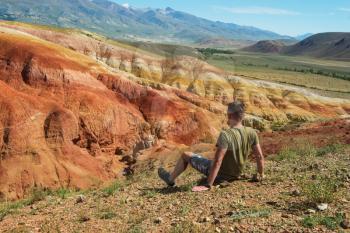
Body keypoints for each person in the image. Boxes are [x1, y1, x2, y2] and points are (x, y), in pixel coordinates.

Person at [158, 101, 265, 192]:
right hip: (236, 173)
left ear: (230, 115)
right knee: (205, 158)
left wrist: (208, 184)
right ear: (242, 116)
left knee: (186, 154)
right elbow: (259, 156)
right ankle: (171, 178)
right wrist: (261, 174)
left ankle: (170, 179)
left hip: (221, 175)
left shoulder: (226, 135)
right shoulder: (251, 132)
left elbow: (218, 161)